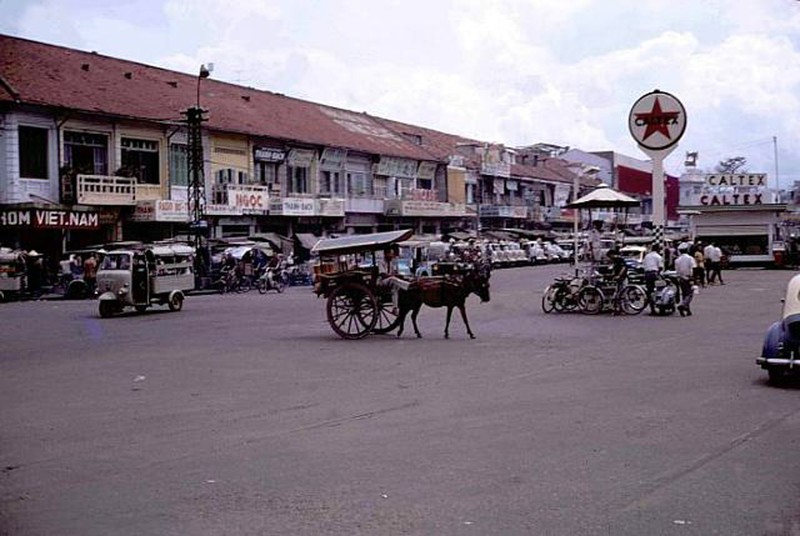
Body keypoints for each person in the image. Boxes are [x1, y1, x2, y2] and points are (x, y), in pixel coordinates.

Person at [674, 244, 696, 316]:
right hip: (689, 277)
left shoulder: (677, 260)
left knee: (684, 294)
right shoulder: (690, 258)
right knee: (690, 294)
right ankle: (683, 305)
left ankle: (687, 310)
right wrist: (694, 278)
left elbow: (677, 271)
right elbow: (693, 268)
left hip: (681, 278)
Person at [642, 243, 664, 315]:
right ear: (658, 249)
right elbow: (660, 267)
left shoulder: (647, 256)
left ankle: (652, 309)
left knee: (650, 291)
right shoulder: (658, 256)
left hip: (647, 274)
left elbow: (644, 265)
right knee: (660, 289)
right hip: (654, 274)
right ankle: (660, 305)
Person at [606, 248, 628, 314]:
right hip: (619, 278)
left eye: (609, 257)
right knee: (618, 293)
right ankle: (620, 308)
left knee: (623, 293)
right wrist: (612, 275)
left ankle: (625, 308)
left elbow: (623, 268)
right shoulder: (615, 261)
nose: (609, 258)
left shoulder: (619, 259)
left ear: (611, 255)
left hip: (623, 278)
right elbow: (614, 270)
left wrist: (619, 275)